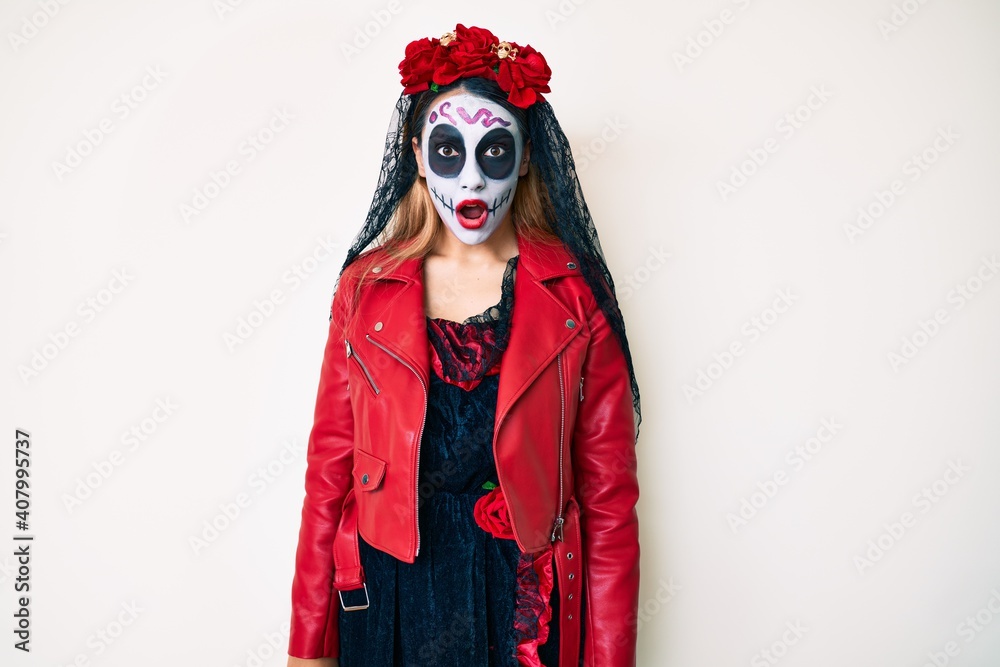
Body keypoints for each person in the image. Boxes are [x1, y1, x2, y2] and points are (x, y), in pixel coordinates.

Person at [286, 24, 642, 667]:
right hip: (390, 597)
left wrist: (610, 659)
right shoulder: (365, 290)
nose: (472, 181)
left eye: (495, 151)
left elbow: (609, 499)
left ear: (527, 156)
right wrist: (308, 650)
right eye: (449, 151)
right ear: (417, 154)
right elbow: (328, 477)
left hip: (523, 606)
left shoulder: (573, 297)